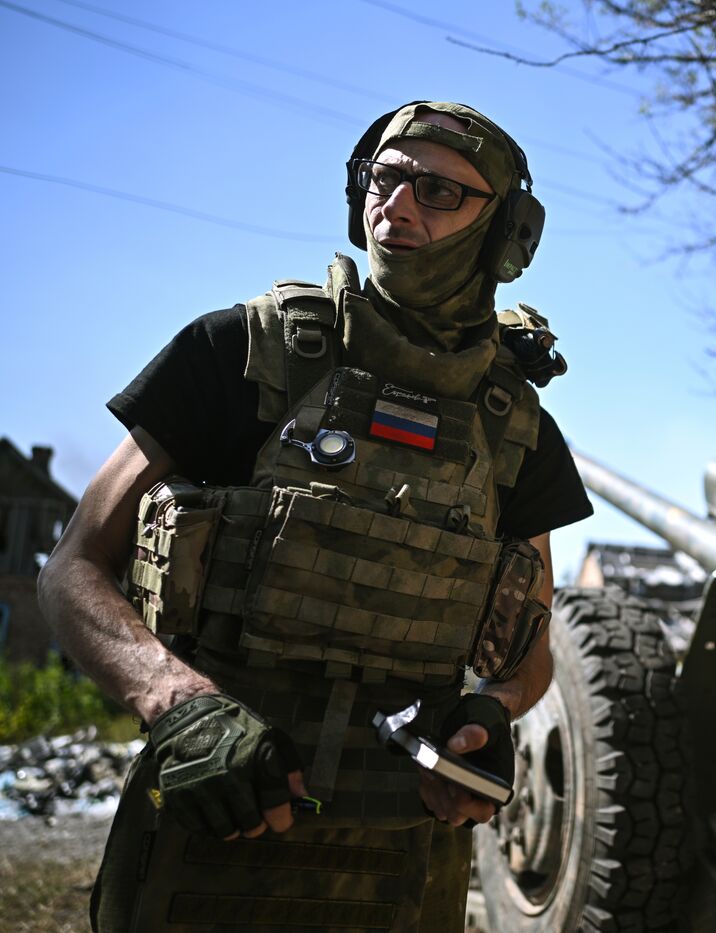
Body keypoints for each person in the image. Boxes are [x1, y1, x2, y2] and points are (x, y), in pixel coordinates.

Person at [37, 100, 593, 931]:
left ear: (508, 233)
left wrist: (491, 712)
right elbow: (71, 569)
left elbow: (530, 655)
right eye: (383, 177)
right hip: (210, 833)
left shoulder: (514, 429)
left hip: (402, 870)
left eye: (438, 190)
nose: (395, 205)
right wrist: (179, 702)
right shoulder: (244, 353)